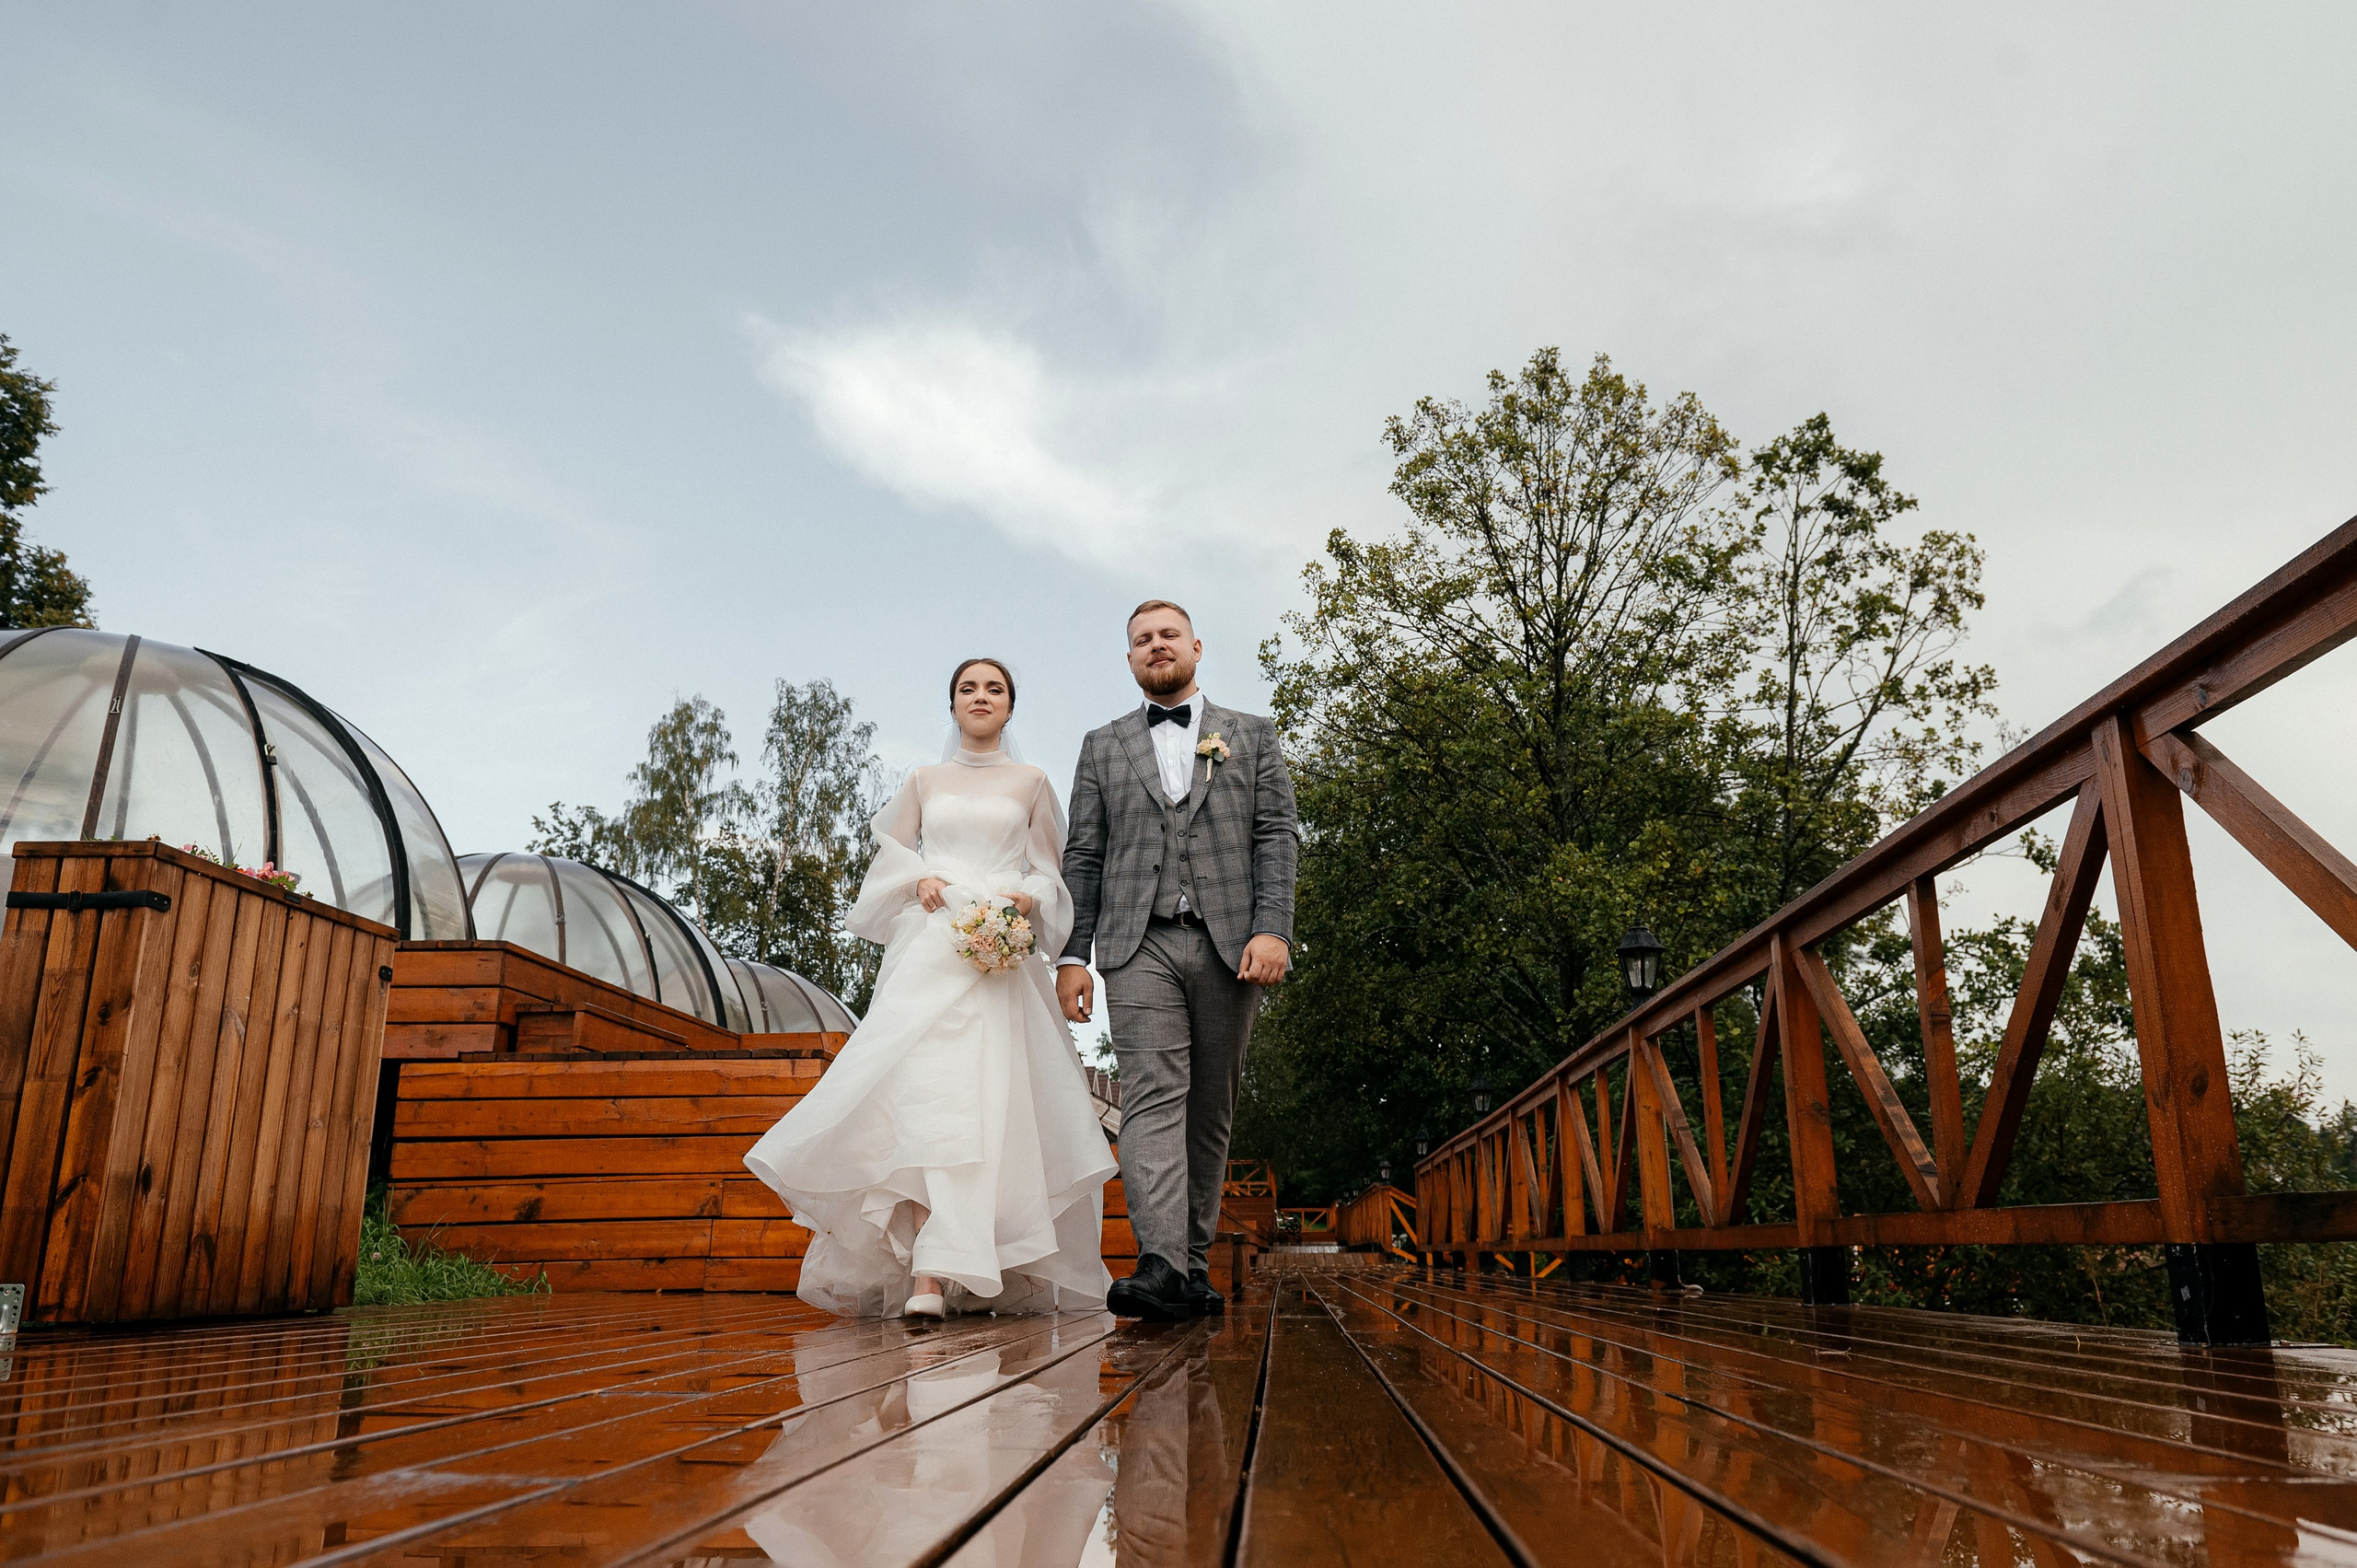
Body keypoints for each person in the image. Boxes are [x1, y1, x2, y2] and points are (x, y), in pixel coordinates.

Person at [744, 658, 1116, 1318]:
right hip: (931, 951)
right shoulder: (924, 779)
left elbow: (1049, 873)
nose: (980, 697)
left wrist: (1022, 901)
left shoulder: (1032, 782)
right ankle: (926, 1275)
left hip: (998, 964)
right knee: (920, 1102)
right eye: (968, 688)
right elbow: (891, 848)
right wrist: (916, 878)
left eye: (993, 689)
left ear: (1009, 707)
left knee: (988, 1109)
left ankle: (964, 1262)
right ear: (952, 705)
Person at [1057, 600, 1300, 1320]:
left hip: (1232, 944)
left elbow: (1276, 837)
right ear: (1129, 658)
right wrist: (1073, 954)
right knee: (1152, 1094)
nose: (1155, 646)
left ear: (1196, 645)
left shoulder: (1251, 735)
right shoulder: (1103, 745)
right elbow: (1085, 855)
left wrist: (1274, 930)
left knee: (1209, 1106)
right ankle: (1160, 1259)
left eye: (1167, 635)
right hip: (1138, 943)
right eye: (1141, 639)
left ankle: (1192, 1265)